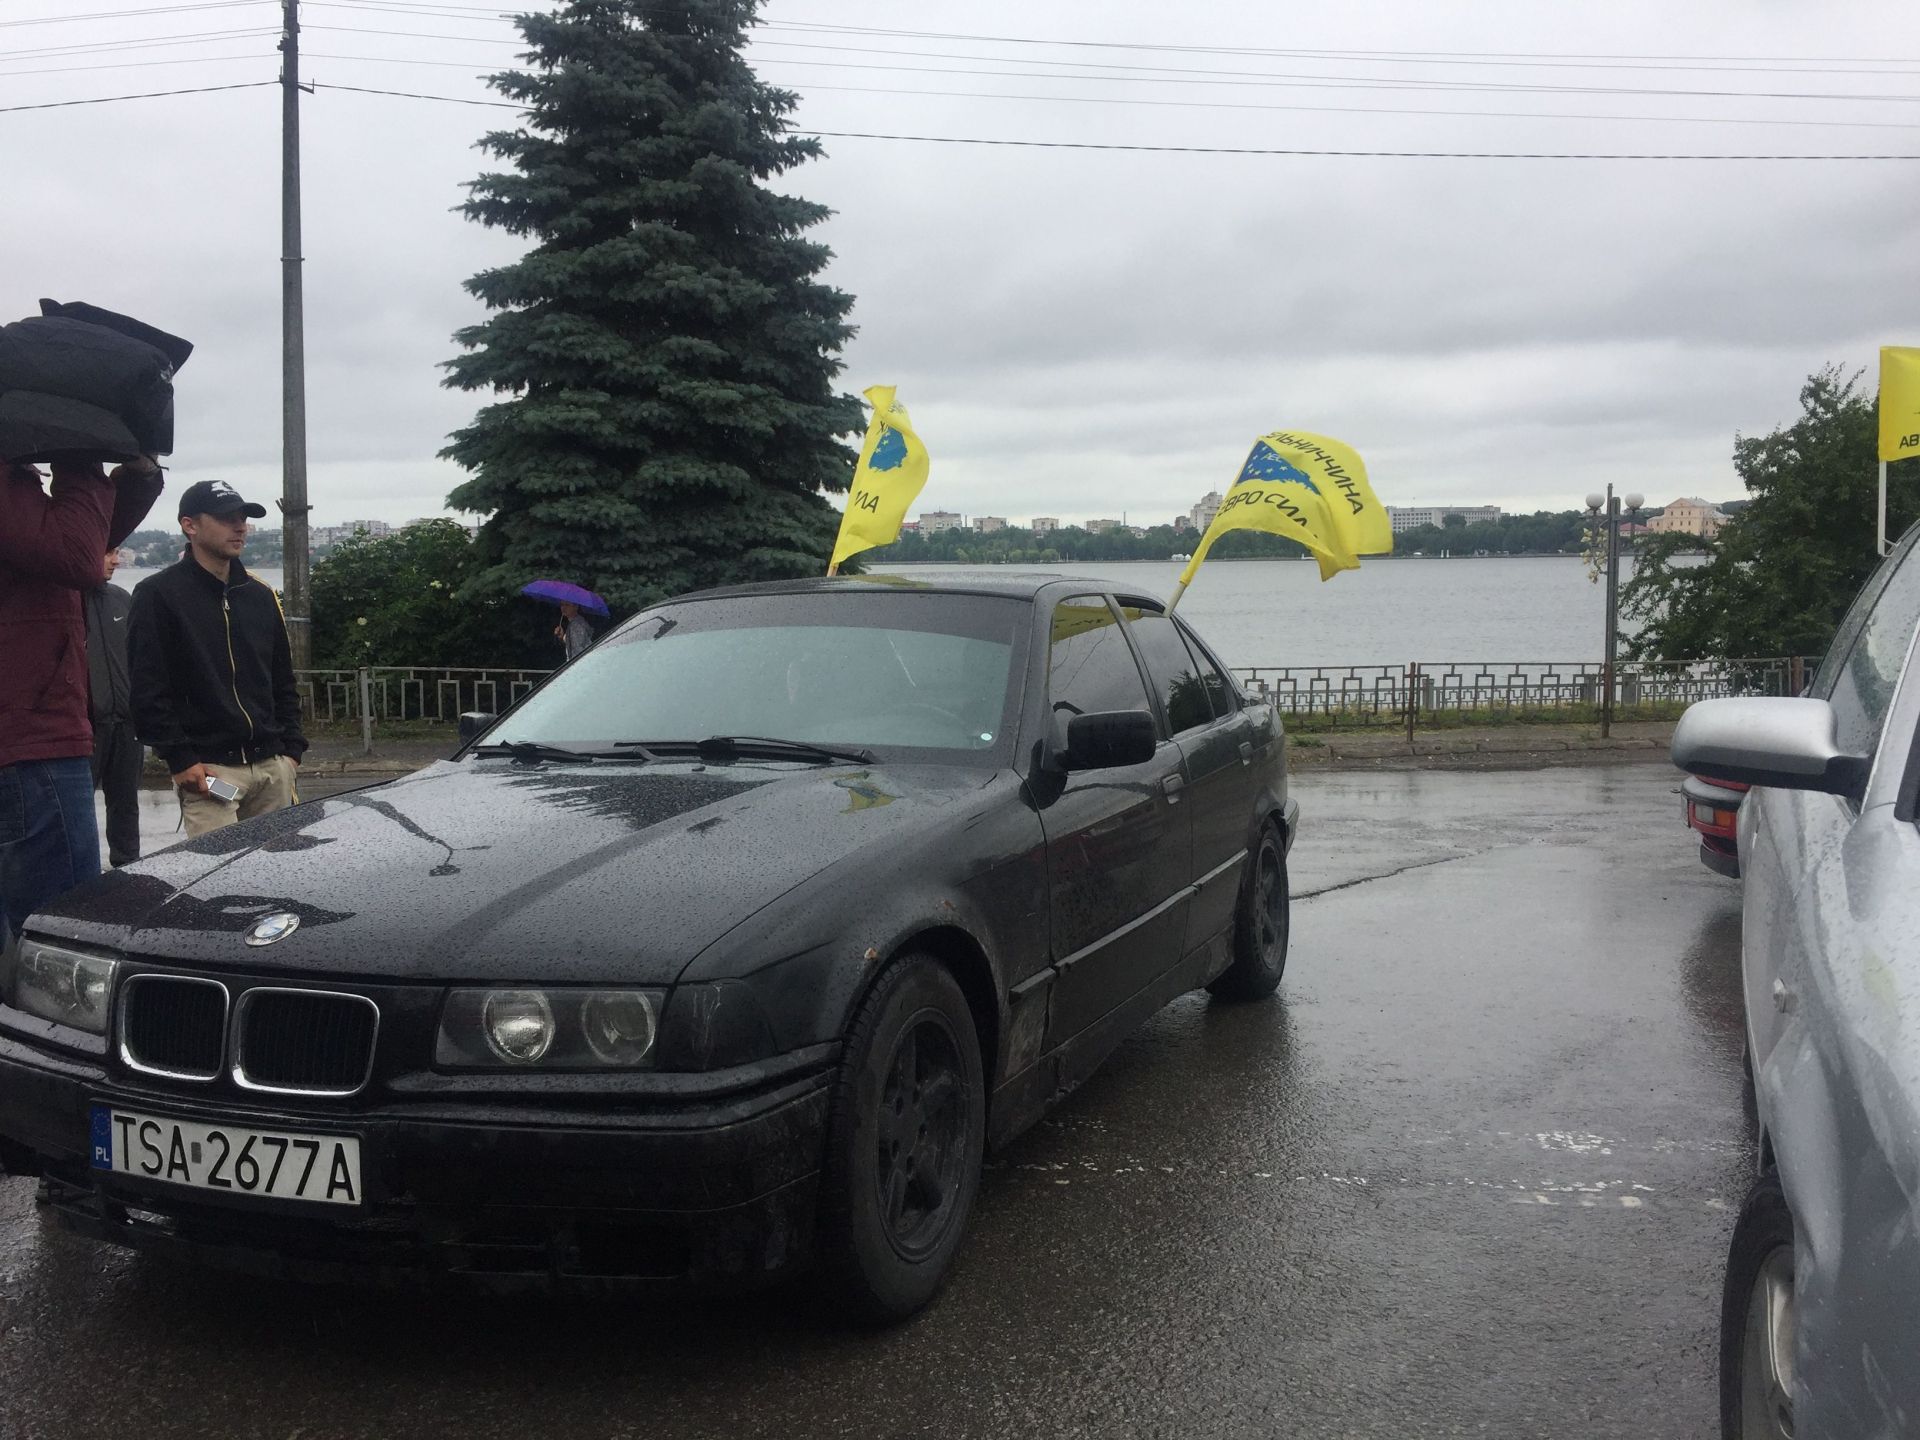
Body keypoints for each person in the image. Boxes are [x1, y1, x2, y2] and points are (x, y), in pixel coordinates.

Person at [0, 455, 164, 944]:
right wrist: (80, 454)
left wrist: (139, 475)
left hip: (30, 731)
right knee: (60, 938)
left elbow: (81, 535)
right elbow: (76, 555)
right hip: (31, 736)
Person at [128, 480, 307, 837]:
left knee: (276, 864)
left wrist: (291, 752)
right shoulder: (158, 595)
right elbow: (147, 687)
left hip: (271, 769)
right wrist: (180, 759)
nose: (240, 527)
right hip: (211, 774)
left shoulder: (259, 594)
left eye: (243, 518)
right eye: (226, 518)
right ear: (189, 525)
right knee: (222, 868)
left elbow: (282, 678)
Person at [83, 547, 141, 867]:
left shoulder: (122, 599)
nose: (116, 560)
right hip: (86, 726)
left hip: (126, 723)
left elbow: (140, 658)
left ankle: (128, 870)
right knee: (79, 810)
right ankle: (84, 878)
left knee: (126, 804)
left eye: (116, 552)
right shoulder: (67, 601)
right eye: (107, 553)